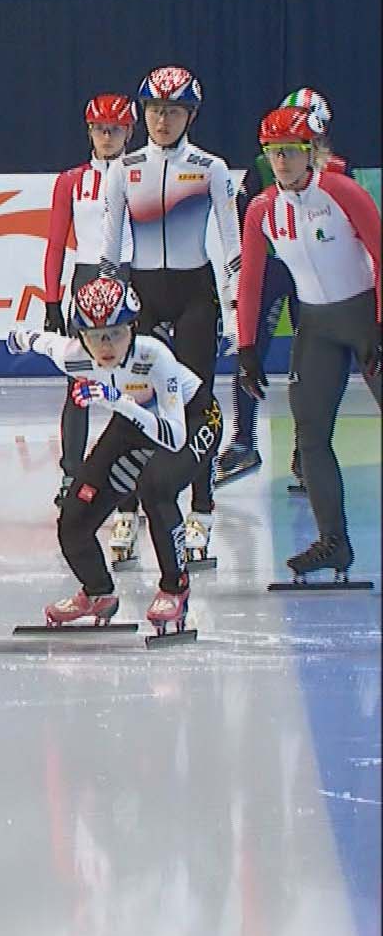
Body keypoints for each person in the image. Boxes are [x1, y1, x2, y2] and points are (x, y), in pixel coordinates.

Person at [9, 276, 222, 633]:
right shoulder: (74, 357)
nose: (106, 345)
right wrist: (19, 339)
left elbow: (173, 435)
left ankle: (175, 586)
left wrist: (116, 401)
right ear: (81, 337)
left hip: (193, 417)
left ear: (133, 328)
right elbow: (44, 342)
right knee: (74, 519)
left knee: (156, 488)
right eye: (95, 336)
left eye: (116, 333)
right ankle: (97, 593)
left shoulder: (155, 356)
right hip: (132, 420)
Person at [98, 65, 239, 566]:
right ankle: (128, 511)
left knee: (195, 402)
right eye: (155, 110)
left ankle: (200, 508)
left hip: (195, 293)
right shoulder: (124, 167)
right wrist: (107, 305)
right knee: (138, 400)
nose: (162, 119)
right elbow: (110, 248)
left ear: (189, 115)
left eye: (172, 110)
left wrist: (236, 311)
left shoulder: (210, 168)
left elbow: (232, 245)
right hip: (143, 294)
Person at [235, 105, 381, 581]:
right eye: (273, 153)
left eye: (291, 152)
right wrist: (247, 348)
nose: (281, 162)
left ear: (311, 152)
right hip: (316, 328)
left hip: (363, 316)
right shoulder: (262, 209)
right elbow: (251, 280)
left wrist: (379, 323)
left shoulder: (341, 192)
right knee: (311, 435)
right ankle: (333, 543)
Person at [216, 87, 350, 488]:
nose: (287, 151)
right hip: (274, 267)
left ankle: (304, 449)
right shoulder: (263, 163)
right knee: (250, 348)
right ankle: (244, 440)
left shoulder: (339, 170)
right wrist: (239, 273)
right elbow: (242, 217)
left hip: (313, 274)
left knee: (310, 365)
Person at [41, 93, 135, 504]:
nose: (107, 137)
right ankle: (72, 475)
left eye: (115, 129)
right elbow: (56, 243)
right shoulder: (70, 181)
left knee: (134, 383)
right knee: (78, 383)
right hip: (85, 281)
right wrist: (50, 300)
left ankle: (129, 475)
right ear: (89, 132)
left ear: (129, 131)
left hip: (132, 278)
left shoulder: (141, 175)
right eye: (100, 129)